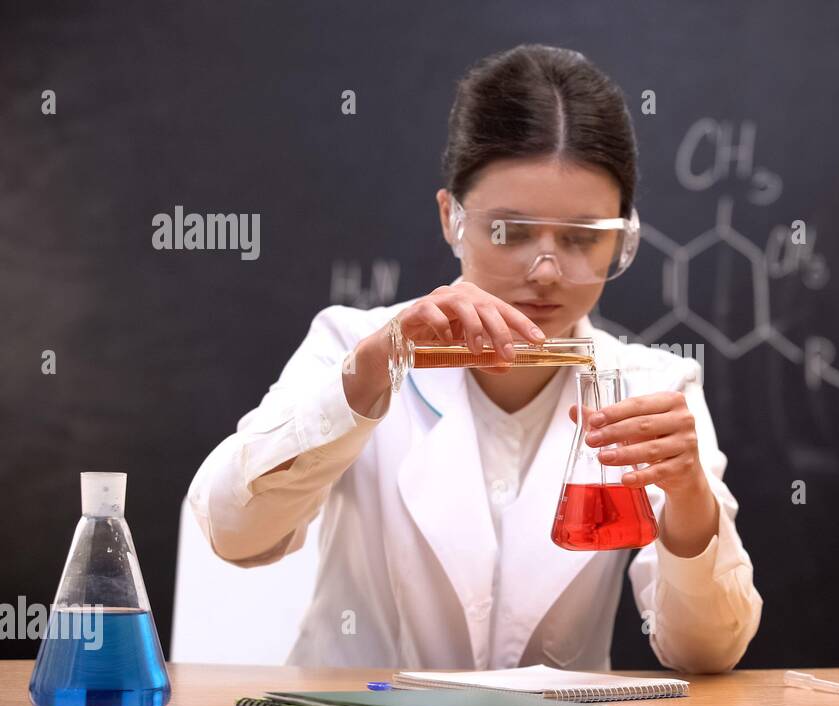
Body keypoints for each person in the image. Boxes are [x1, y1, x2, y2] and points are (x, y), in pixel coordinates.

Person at [187, 44, 762, 673]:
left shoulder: (654, 386)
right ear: (451, 219)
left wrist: (689, 500)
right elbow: (232, 532)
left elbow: (705, 652)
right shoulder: (352, 345)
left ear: (622, 240)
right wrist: (366, 378)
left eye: (580, 238)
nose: (545, 271)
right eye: (509, 231)